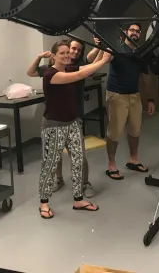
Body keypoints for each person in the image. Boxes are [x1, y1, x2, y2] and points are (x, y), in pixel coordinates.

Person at [38, 40, 111, 219]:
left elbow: (88, 68)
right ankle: (44, 203)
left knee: (78, 161)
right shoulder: (50, 74)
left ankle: (78, 199)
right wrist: (104, 61)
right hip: (54, 126)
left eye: (67, 53)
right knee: (50, 164)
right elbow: (78, 77)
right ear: (53, 55)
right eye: (62, 53)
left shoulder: (70, 69)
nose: (66, 55)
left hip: (73, 124)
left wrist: (102, 52)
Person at [27, 39, 99, 197]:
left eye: (76, 50)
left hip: (75, 115)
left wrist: (99, 50)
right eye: (68, 50)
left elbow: (88, 64)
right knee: (56, 153)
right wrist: (40, 57)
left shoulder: (74, 65)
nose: (72, 53)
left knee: (79, 154)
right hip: (55, 119)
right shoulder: (51, 70)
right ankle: (59, 179)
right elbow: (31, 72)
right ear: (54, 56)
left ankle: (85, 183)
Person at [93, 23, 156, 180]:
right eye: (132, 30)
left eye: (137, 31)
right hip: (116, 95)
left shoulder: (140, 52)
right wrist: (99, 48)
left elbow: (145, 77)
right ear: (126, 32)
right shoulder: (117, 48)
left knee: (135, 130)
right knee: (115, 131)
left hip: (134, 95)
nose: (135, 33)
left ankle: (133, 159)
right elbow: (100, 61)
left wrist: (149, 99)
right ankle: (111, 165)